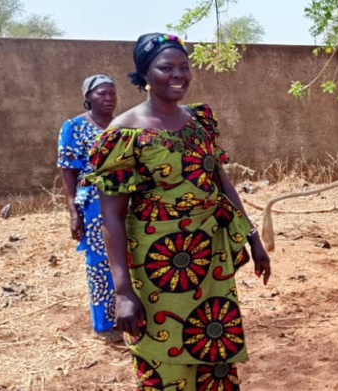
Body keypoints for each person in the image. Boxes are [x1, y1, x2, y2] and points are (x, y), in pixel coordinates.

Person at [85, 32, 271, 390]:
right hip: (160, 265)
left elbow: (221, 182)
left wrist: (253, 237)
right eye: (165, 68)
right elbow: (112, 217)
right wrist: (122, 291)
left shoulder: (199, 120)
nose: (178, 75)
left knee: (212, 344)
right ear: (145, 74)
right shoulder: (123, 133)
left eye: (184, 67)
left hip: (209, 258)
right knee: (163, 351)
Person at [56, 74, 121, 343]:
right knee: (99, 262)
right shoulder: (74, 127)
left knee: (128, 259)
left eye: (112, 93)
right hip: (94, 204)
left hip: (125, 201)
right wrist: (74, 213)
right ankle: (105, 323)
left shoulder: (123, 124)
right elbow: (68, 171)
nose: (108, 98)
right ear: (88, 97)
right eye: (101, 93)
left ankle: (129, 314)